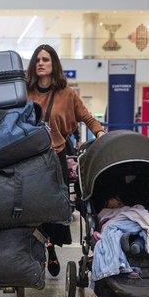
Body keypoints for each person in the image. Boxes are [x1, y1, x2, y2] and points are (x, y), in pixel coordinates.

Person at [25, 44, 105, 277]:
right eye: (37, 59)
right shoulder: (25, 93)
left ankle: (50, 247)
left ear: (54, 65)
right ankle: (31, 249)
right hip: (28, 157)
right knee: (29, 206)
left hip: (55, 155)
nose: (41, 63)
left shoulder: (67, 94)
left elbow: (87, 117)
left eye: (46, 60)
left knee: (54, 207)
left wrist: (100, 133)